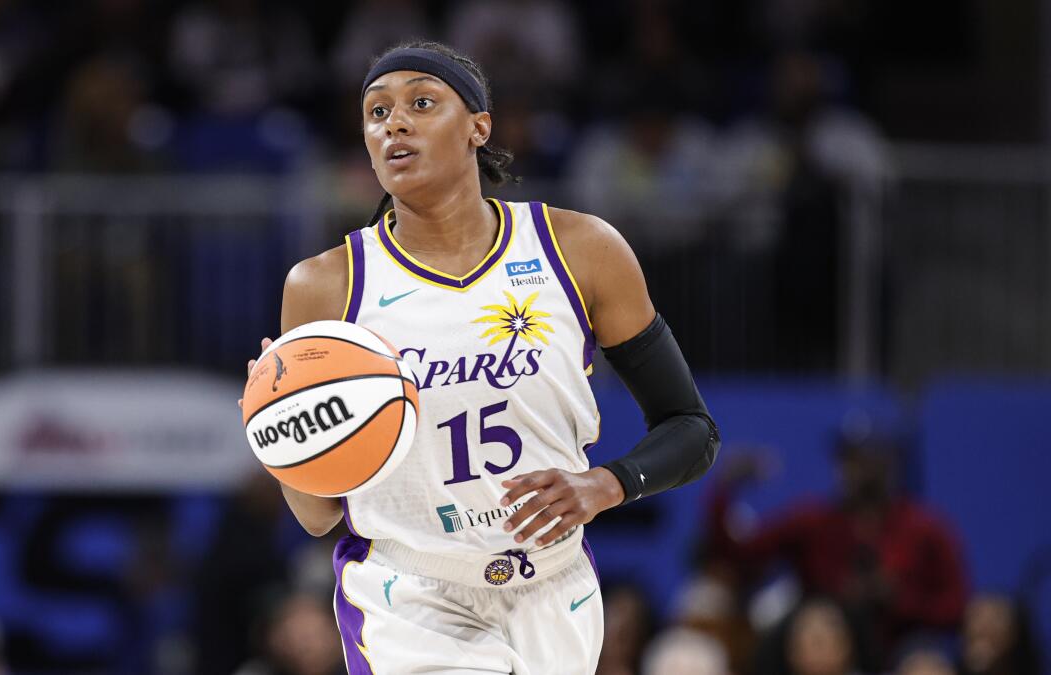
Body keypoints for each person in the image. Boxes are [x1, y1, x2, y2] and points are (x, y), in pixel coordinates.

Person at [242, 41, 719, 673]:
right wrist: (282, 433)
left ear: (479, 127)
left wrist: (605, 484)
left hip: (555, 583)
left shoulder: (579, 249)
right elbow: (316, 516)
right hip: (409, 593)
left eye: (420, 103)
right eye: (376, 113)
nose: (396, 124)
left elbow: (691, 428)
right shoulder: (326, 285)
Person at [705, 432, 968, 666]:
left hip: (900, 645)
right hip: (822, 640)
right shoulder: (814, 522)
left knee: (925, 660)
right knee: (785, 640)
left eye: (870, 458)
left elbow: (954, 606)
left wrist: (899, 600)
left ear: (891, 463)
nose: (860, 470)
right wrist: (725, 487)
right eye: (851, 460)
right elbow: (738, 554)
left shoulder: (925, 529)